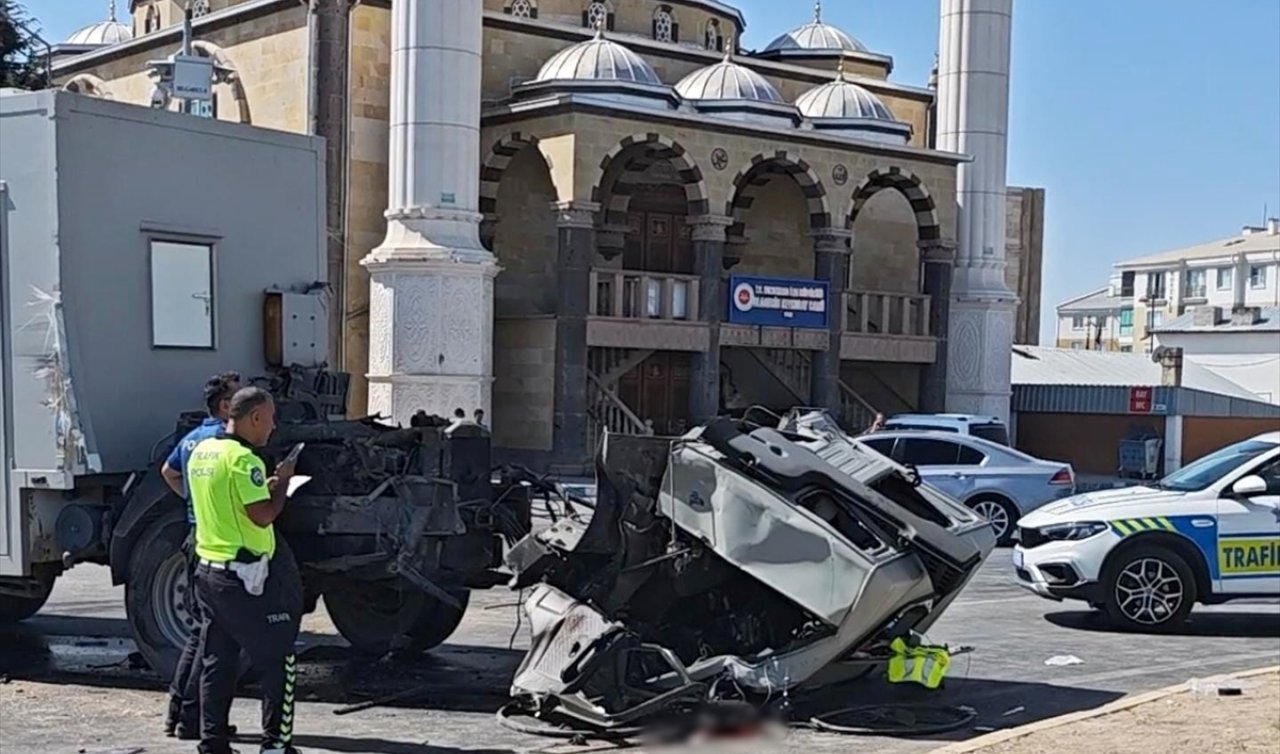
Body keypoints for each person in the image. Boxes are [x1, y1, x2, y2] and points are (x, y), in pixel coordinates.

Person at [187, 387, 301, 754]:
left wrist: (263, 489)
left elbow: (230, 502)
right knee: (279, 659)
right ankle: (275, 745)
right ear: (254, 418)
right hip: (244, 577)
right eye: (270, 419)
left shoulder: (203, 452)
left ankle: (213, 744)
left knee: (218, 661)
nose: (272, 427)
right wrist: (282, 481)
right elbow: (263, 515)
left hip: (208, 572)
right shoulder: (244, 461)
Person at [161, 371, 242, 739]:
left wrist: (193, 503)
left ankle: (177, 711)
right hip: (217, 544)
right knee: (214, 639)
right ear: (226, 406)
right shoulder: (225, 440)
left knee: (199, 633)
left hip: (195, 536)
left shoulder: (193, 438)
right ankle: (193, 720)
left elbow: (169, 471)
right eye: (240, 398)